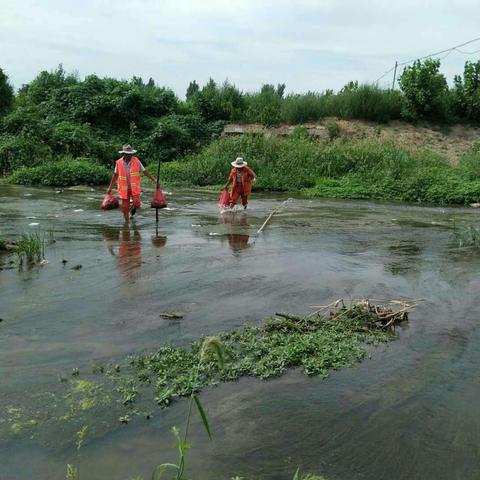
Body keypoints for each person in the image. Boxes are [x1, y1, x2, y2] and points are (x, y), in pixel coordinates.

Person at [107, 145, 157, 223]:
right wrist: (110, 188)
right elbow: (115, 175)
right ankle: (127, 224)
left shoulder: (136, 161)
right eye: (127, 154)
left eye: (130, 154)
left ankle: (131, 212)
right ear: (123, 154)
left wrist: (154, 180)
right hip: (124, 188)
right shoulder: (119, 162)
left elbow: (144, 171)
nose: (129, 155)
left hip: (134, 187)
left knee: (137, 204)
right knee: (124, 207)